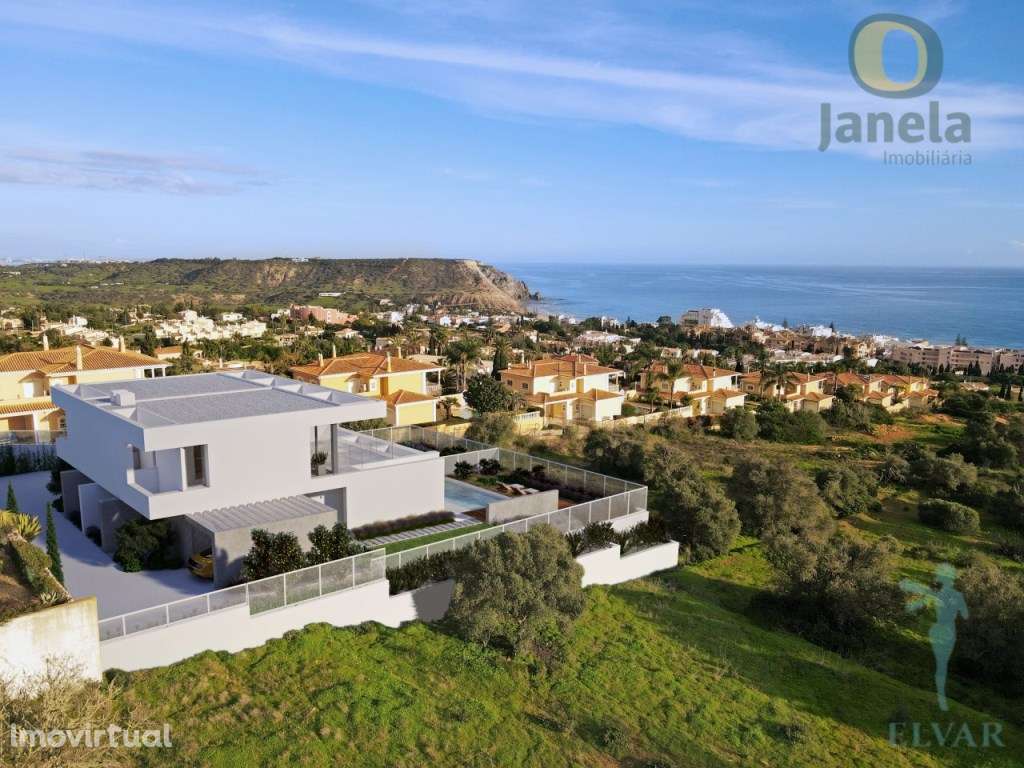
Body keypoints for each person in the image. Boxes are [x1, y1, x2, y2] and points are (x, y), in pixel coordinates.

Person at [900, 563, 969, 712]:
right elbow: (965, 615)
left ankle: (936, 694)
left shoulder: (937, 594)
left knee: (940, 664)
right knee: (942, 664)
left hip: (937, 629)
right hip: (950, 630)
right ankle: (940, 696)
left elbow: (920, 603)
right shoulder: (958, 595)